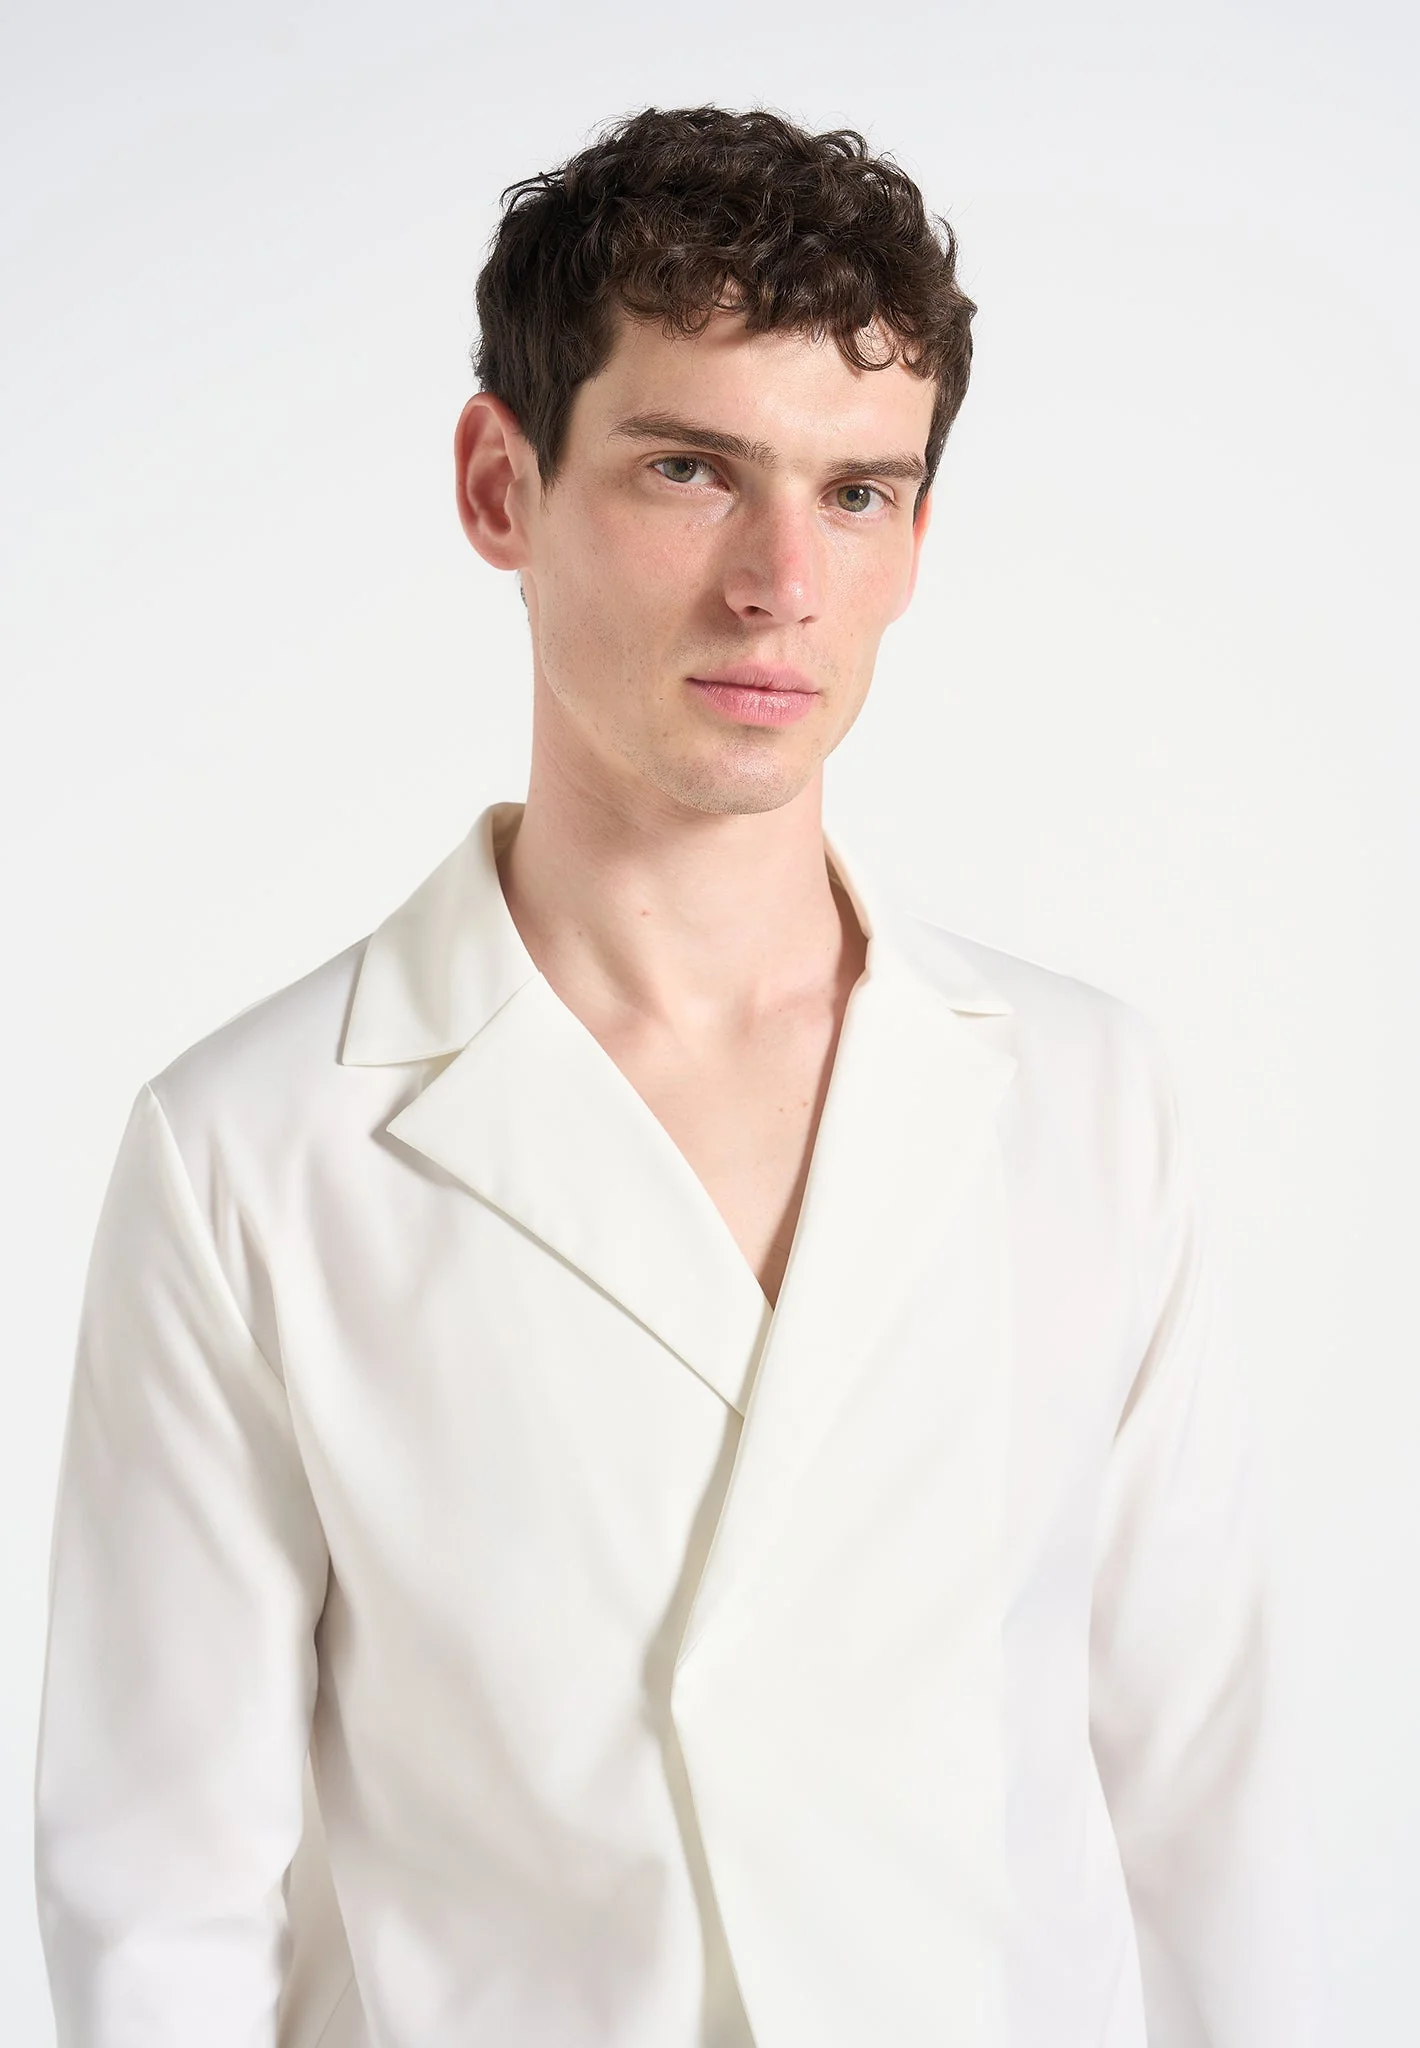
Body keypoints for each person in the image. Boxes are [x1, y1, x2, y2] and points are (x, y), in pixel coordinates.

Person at [34, 105, 1320, 2048]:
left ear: (915, 539)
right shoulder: (252, 1151)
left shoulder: (1085, 1102)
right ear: (501, 484)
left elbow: (1207, 1799)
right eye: (689, 469)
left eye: (858, 491)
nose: (780, 580)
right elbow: (159, 1902)